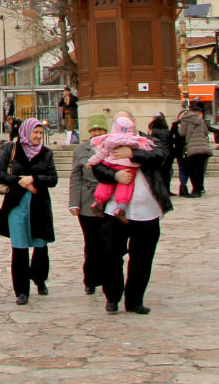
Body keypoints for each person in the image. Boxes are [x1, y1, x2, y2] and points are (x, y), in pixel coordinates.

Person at [91, 110, 171, 315]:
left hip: (147, 210)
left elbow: (160, 156)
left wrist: (132, 154)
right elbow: (97, 168)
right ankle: (112, 296)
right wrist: (115, 175)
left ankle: (135, 300)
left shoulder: (147, 142)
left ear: (134, 122)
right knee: (110, 254)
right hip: (115, 210)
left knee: (142, 257)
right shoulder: (109, 143)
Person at [0, 118, 57, 305]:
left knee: (40, 244)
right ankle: (21, 290)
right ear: (26, 132)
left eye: (40, 133)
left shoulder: (46, 153)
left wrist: (34, 179)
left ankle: (39, 278)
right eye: (34, 133)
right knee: (19, 246)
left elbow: (53, 178)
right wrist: (20, 180)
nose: (37, 137)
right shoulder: (11, 149)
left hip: (38, 204)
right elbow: (0, 173)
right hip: (17, 203)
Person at [86, 116, 153, 222]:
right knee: (125, 185)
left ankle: (99, 202)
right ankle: (121, 207)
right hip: (127, 168)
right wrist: (115, 175)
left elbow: (156, 156)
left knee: (107, 185)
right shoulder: (136, 141)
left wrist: (132, 154)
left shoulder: (111, 141)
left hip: (144, 210)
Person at [69, 123, 108, 295]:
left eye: (100, 129)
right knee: (91, 242)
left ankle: (108, 278)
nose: (96, 133)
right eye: (93, 130)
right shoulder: (81, 150)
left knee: (108, 242)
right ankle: (90, 279)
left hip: (107, 200)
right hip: (87, 200)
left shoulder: (112, 147)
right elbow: (76, 177)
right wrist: (73, 202)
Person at [171, 101, 212, 198]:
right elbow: (206, 132)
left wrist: (178, 128)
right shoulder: (201, 120)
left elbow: (182, 133)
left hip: (193, 148)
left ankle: (196, 191)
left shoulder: (186, 120)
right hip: (204, 147)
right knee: (200, 169)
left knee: (193, 170)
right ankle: (200, 188)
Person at [146, 113, 173, 191]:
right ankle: (167, 189)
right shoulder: (167, 131)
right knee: (167, 173)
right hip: (168, 153)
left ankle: (159, 189)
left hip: (158, 152)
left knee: (158, 172)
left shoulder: (153, 131)